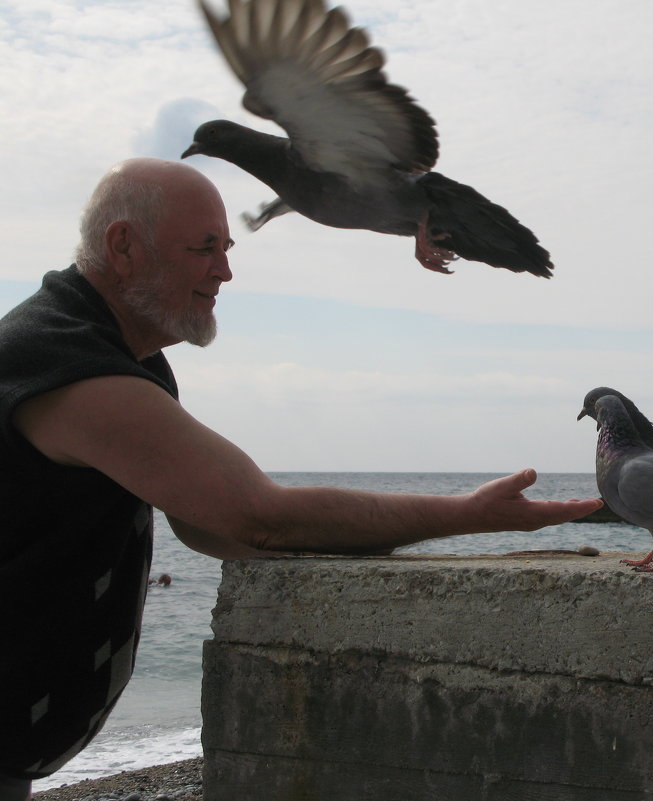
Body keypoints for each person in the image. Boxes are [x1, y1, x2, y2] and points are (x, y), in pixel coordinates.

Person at [0, 158, 602, 798]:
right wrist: (467, 516)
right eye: (204, 249)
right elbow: (259, 518)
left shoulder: (110, 355)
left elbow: (206, 525)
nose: (225, 272)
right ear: (123, 246)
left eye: (226, 249)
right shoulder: (70, 367)